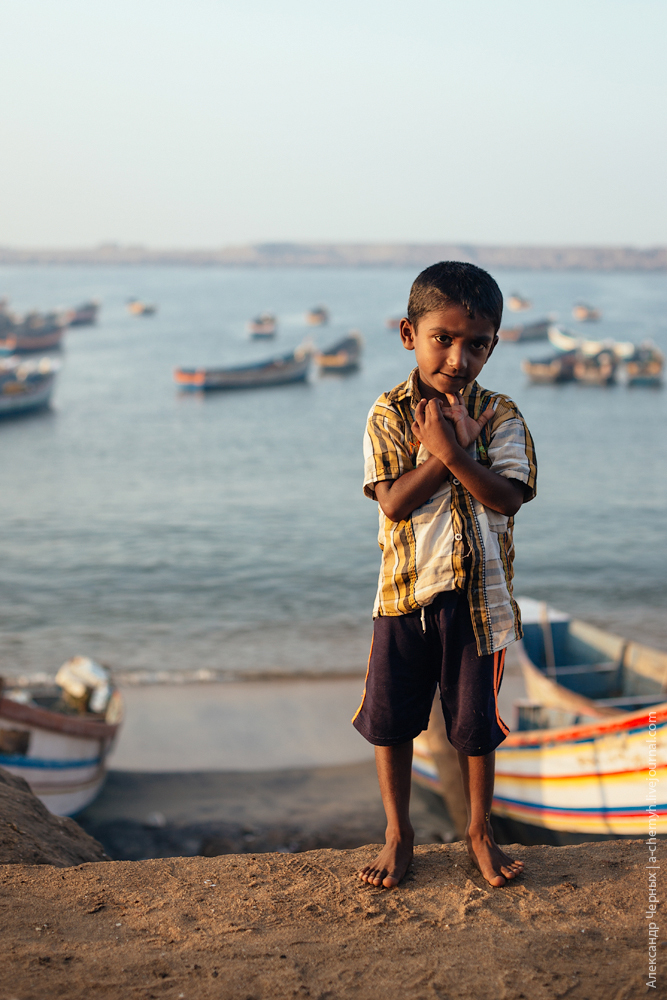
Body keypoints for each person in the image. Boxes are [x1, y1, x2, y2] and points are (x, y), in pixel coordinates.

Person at [353, 261, 537, 888]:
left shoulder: (502, 414)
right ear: (410, 333)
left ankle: (479, 832)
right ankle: (398, 832)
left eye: (477, 343)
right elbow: (394, 502)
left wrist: (455, 451)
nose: (459, 358)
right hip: (403, 596)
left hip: (478, 602)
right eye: (444, 339)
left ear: (493, 343)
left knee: (474, 725)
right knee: (391, 718)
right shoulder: (388, 413)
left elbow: (507, 498)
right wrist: (446, 452)